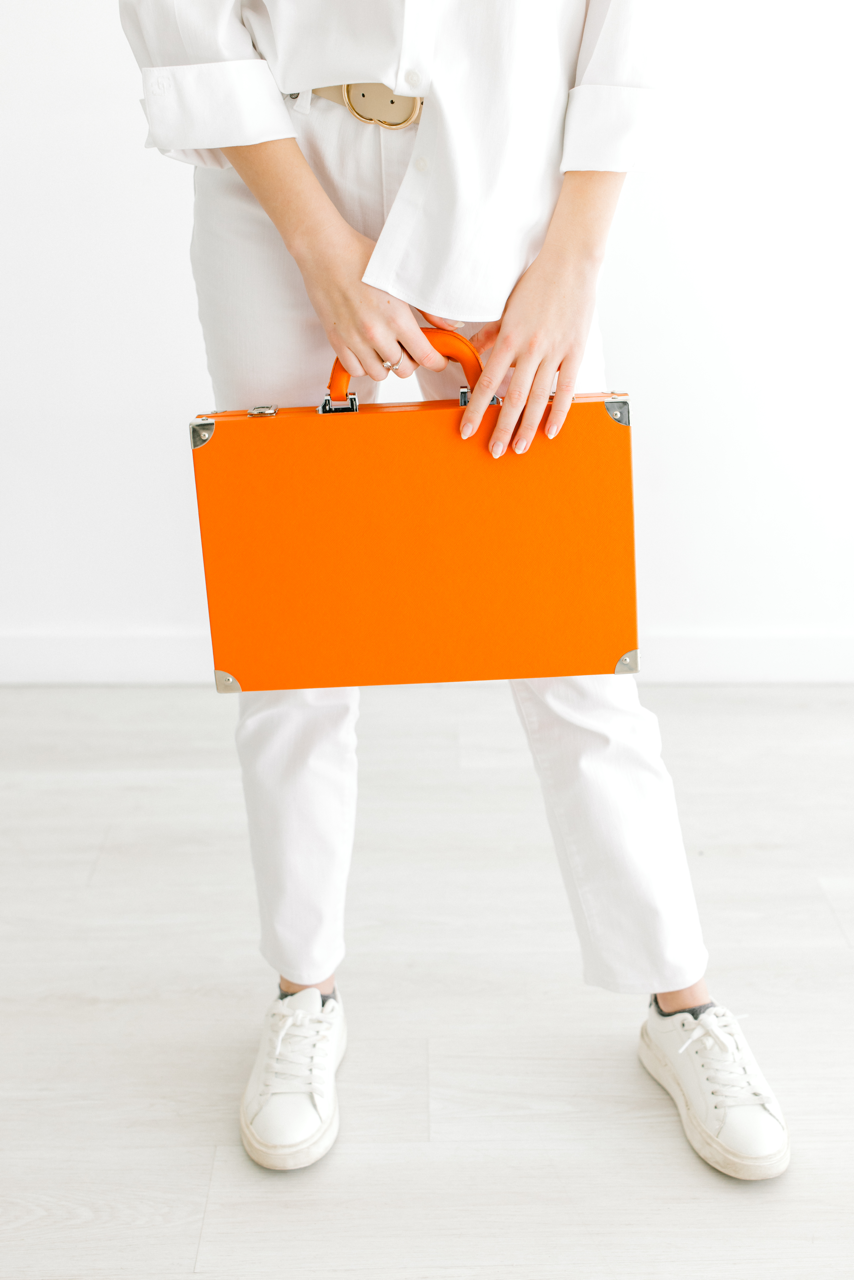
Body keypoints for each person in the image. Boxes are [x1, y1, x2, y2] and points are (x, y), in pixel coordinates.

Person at [120, 0, 789, 1182]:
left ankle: (680, 1003)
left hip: (513, 179)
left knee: (567, 629)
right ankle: (302, 991)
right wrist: (321, 252)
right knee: (296, 631)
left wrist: (574, 259)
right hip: (273, 169)